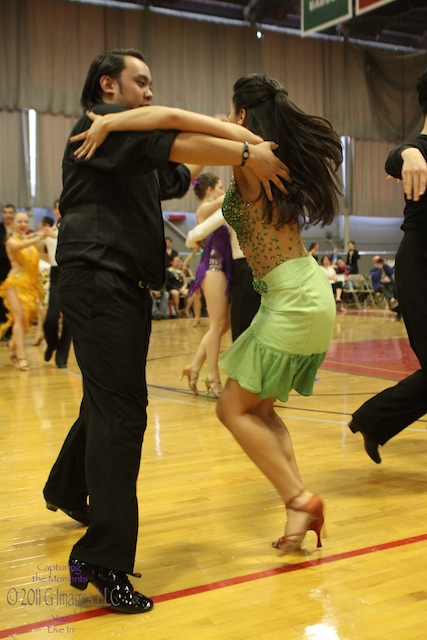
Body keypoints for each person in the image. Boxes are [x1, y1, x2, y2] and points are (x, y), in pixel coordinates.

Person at [42, 49, 290, 615]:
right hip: (100, 278)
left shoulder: (125, 144)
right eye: (141, 81)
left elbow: (175, 172)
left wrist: (221, 146)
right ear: (109, 85)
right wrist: (244, 146)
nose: (149, 91)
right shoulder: (102, 125)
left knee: (107, 401)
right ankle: (102, 560)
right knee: (123, 414)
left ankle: (65, 487)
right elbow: (177, 135)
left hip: (115, 283)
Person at [214, 73, 342, 554]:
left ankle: (299, 497)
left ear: (243, 114)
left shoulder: (249, 157)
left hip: (293, 296)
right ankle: (298, 506)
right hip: (299, 291)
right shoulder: (267, 156)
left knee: (231, 408)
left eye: (231, 111)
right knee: (261, 409)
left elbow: (209, 133)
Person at [348, 67, 427, 464]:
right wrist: (407, 153)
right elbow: (396, 156)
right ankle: (373, 419)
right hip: (421, 265)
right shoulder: (418, 150)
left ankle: (373, 420)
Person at [181, 173, 233, 397]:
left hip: (221, 268)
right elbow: (224, 200)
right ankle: (212, 376)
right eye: (220, 187)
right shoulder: (204, 209)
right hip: (213, 267)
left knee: (222, 325)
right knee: (217, 325)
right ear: (209, 190)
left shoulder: (213, 210)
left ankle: (194, 367)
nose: (223, 190)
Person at [186, 207, 260, 341]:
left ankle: (240, 354)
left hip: (245, 267)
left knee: (241, 326)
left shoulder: (235, 202)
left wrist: (195, 239)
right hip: (270, 268)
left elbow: (196, 234)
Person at [0, 211, 47, 370]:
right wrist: (38, 236)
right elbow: (20, 246)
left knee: (27, 318)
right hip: (14, 284)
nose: (23, 224)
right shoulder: (11, 241)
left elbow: (35, 245)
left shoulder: (28, 240)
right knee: (19, 318)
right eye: (19, 221)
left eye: (26, 221)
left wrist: (43, 234)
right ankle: (22, 358)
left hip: (30, 286)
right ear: (13, 223)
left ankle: (14, 344)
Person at [42, 200, 73, 368]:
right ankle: (52, 342)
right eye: (57, 207)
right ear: (54, 210)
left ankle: (62, 356)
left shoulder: (73, 228)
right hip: (55, 272)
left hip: (71, 271)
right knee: (51, 316)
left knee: (69, 318)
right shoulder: (49, 230)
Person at [369, 255, 401, 319]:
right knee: (382, 287)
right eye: (377, 261)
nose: (379, 261)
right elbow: (375, 278)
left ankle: (395, 304)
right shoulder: (373, 270)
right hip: (379, 285)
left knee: (394, 289)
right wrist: (379, 269)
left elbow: (392, 272)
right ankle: (391, 298)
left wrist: (385, 264)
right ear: (374, 262)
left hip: (389, 284)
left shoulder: (385, 267)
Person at [0, 204, 15, 335]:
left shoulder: (18, 228)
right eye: (5, 212)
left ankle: (11, 330)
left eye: (10, 212)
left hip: (13, 268)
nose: (8, 215)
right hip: (1, 267)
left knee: (12, 300)